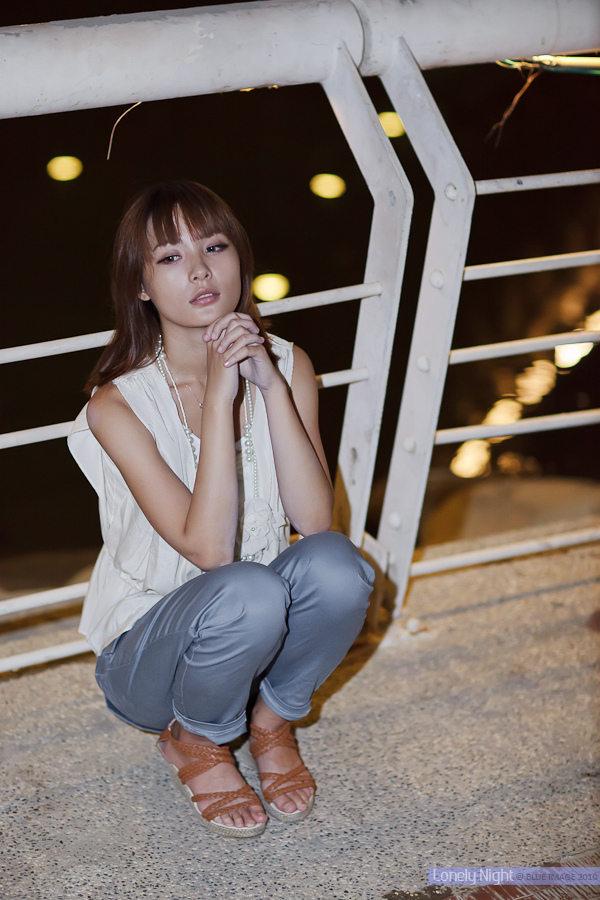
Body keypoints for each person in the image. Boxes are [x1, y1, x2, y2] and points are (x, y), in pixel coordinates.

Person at [68, 180, 374, 839]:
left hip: (256, 633)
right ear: (141, 285)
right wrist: (220, 395)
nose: (200, 270)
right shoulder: (116, 407)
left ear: (240, 258)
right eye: (170, 257)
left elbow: (314, 522)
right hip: (150, 661)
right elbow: (209, 551)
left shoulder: (288, 363)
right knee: (247, 589)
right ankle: (195, 739)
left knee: (339, 566)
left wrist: (269, 384)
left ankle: (270, 722)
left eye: (214, 247)